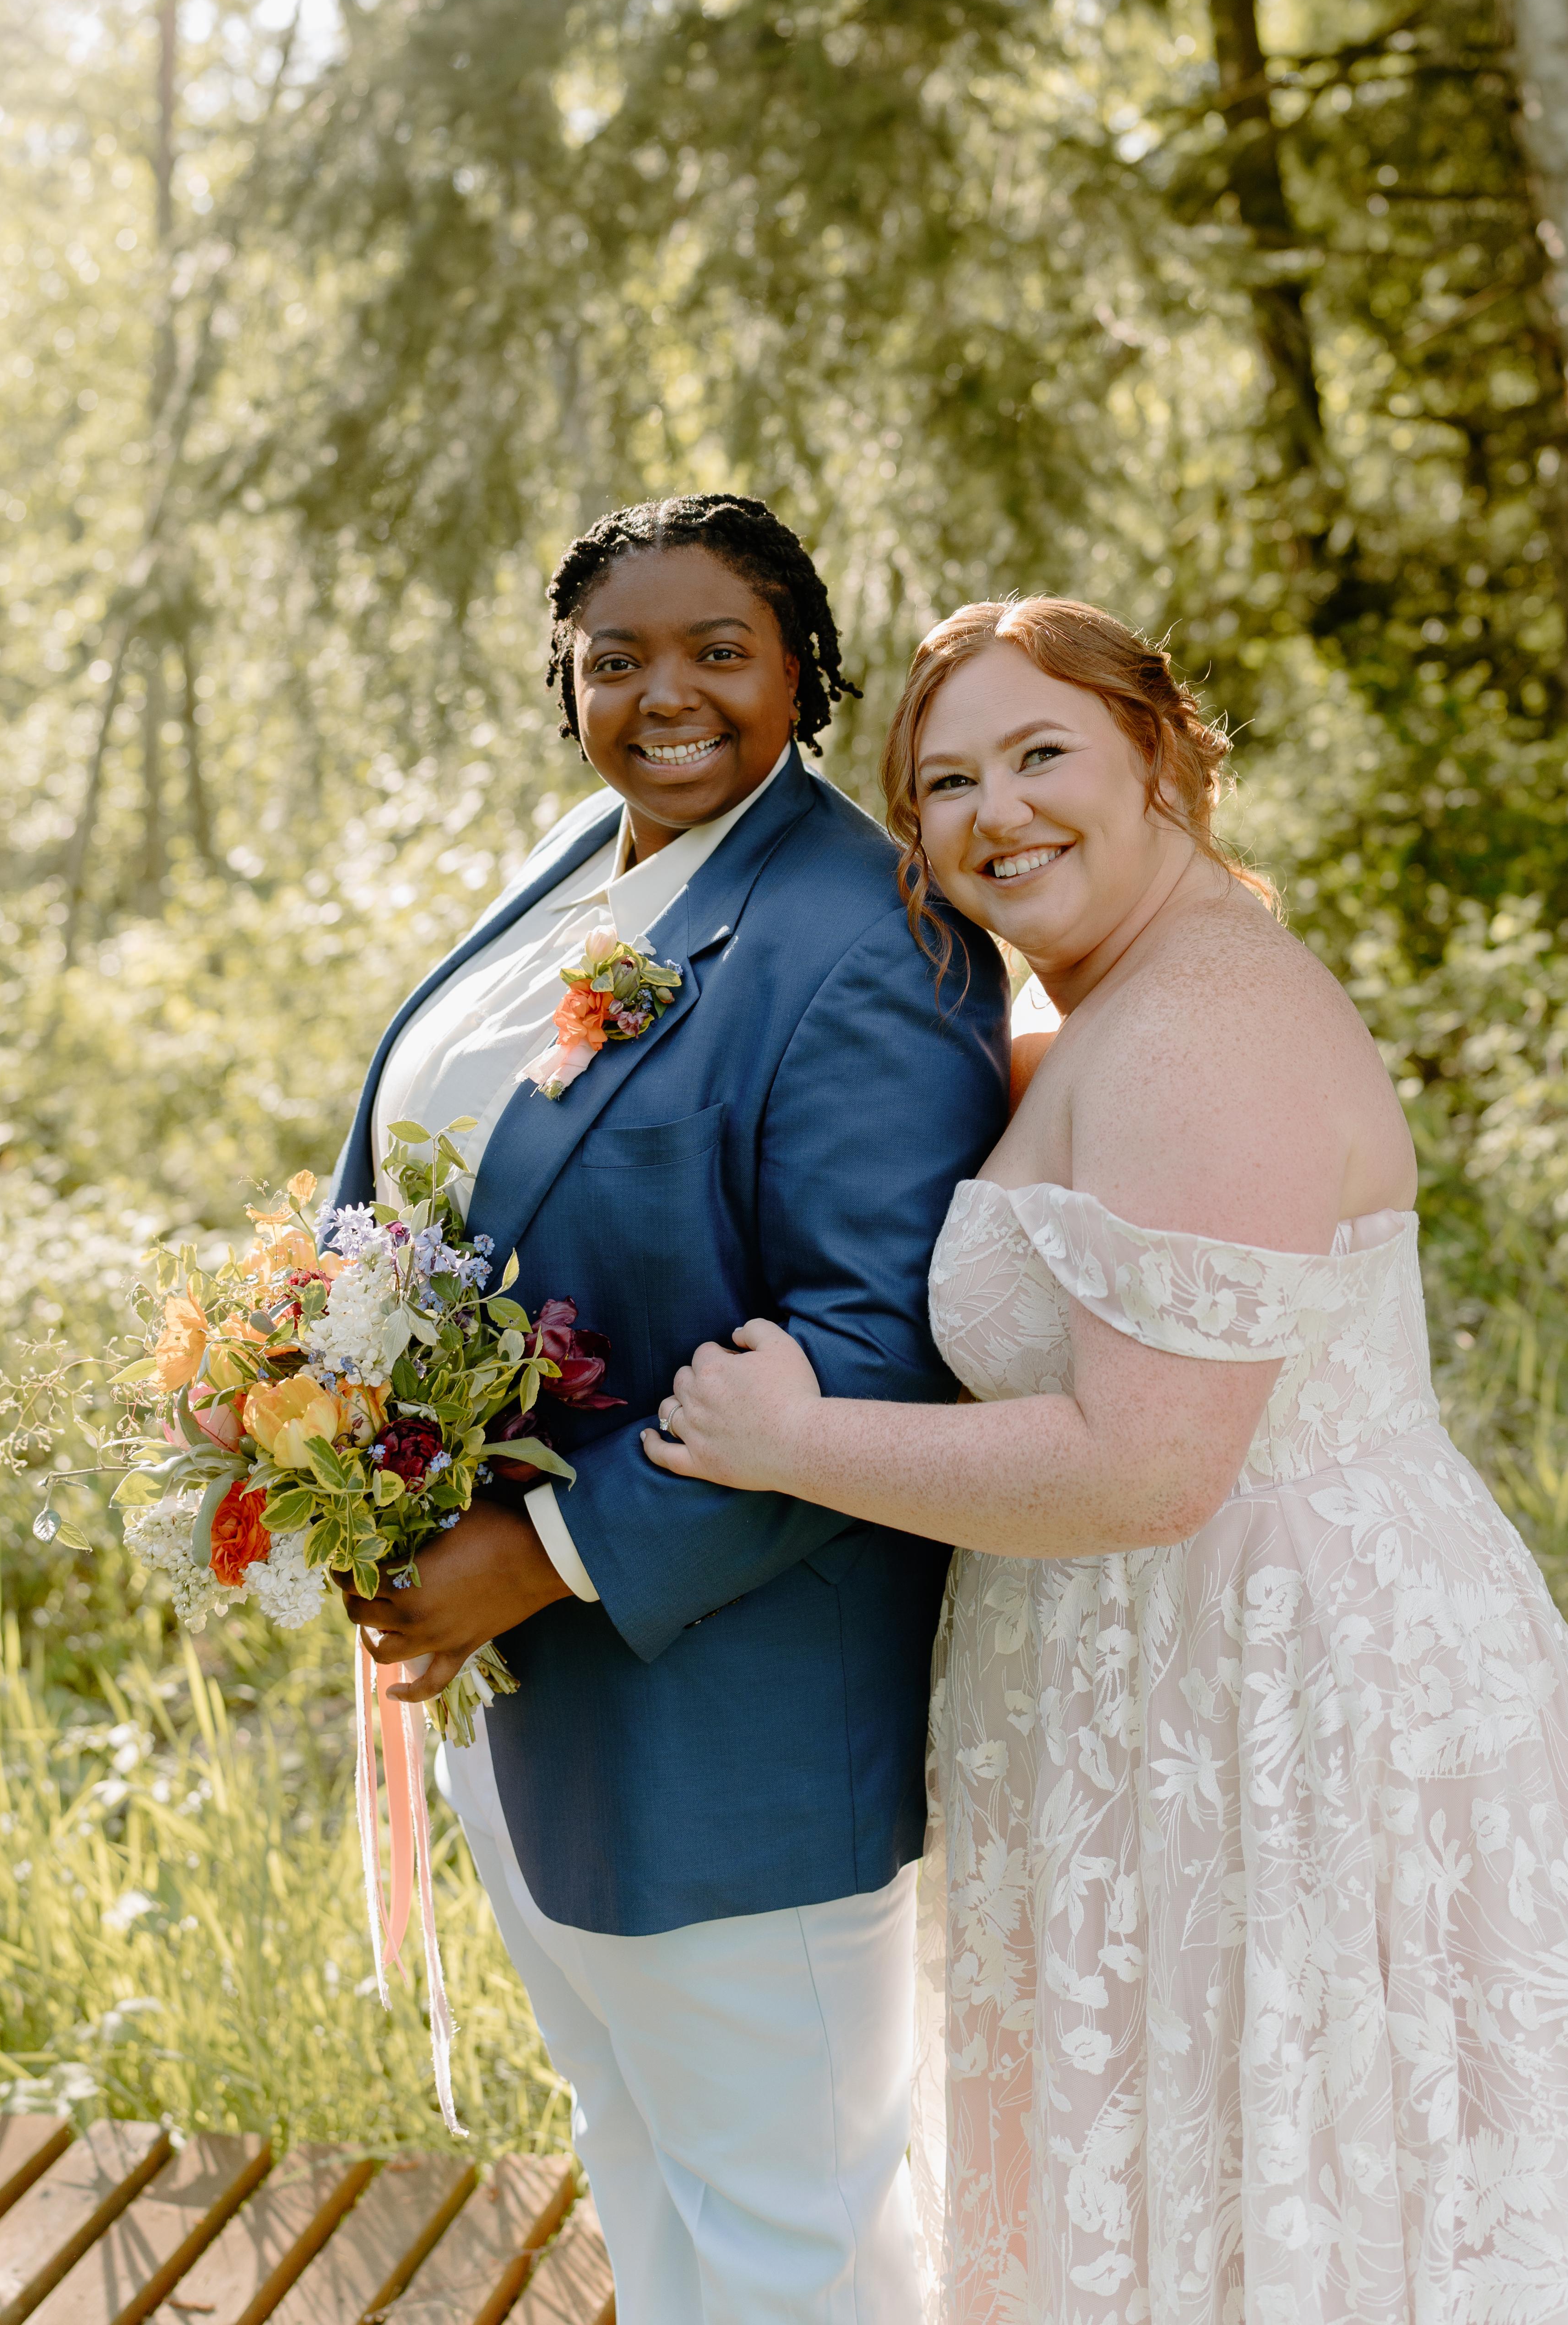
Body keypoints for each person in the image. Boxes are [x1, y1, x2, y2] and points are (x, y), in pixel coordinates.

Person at [648, 596, 1568, 2325]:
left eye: (1042, 754)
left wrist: (798, 1443)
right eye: (946, 783)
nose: (996, 812)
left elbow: (1148, 1469)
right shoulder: (1114, 1016)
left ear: (1162, 761)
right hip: (1160, 1685)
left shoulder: (1206, 1026)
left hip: (1277, 1696)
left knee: (1364, 2183)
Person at [329, 496, 1010, 2325]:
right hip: (522, 1701)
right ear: (565, 683)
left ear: (803, 670)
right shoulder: (581, 855)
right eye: (615, 659)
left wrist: (541, 1551)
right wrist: (316, 1419)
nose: (666, 696)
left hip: (732, 1709)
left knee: (796, 2239)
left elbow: (876, 1346)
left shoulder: (873, 940)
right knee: (637, 2165)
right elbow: (430, 1173)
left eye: (720, 651)